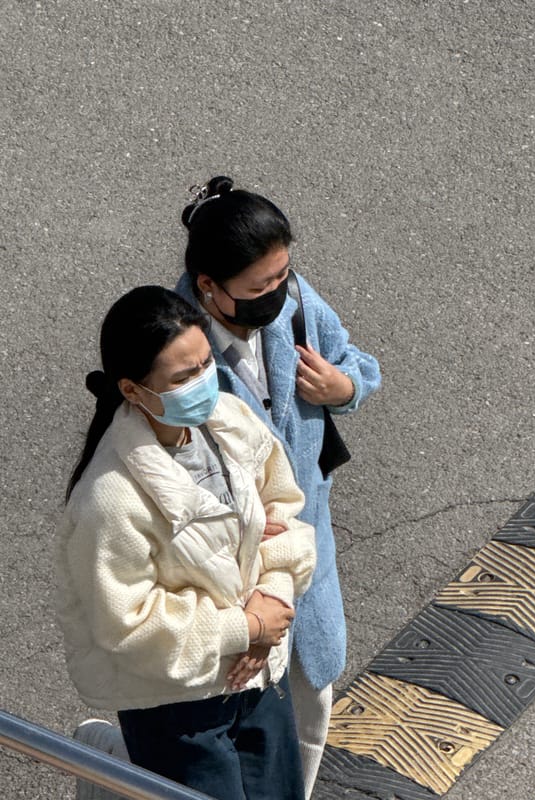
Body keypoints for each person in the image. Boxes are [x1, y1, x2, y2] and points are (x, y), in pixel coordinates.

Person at [57, 285, 316, 800]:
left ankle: (120, 763)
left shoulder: (231, 423)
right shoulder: (109, 501)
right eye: (182, 377)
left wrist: (273, 598)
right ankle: (114, 758)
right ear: (132, 390)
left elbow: (284, 511)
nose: (203, 384)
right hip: (174, 702)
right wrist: (244, 625)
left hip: (259, 669)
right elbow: (126, 624)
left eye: (204, 365)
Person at [174, 176, 381, 796]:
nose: (277, 294)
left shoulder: (297, 305)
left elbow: (357, 365)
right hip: (229, 574)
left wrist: (343, 390)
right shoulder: (178, 348)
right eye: (259, 287)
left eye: (283, 276)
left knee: (311, 698)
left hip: (305, 556)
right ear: (209, 286)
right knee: (226, 723)